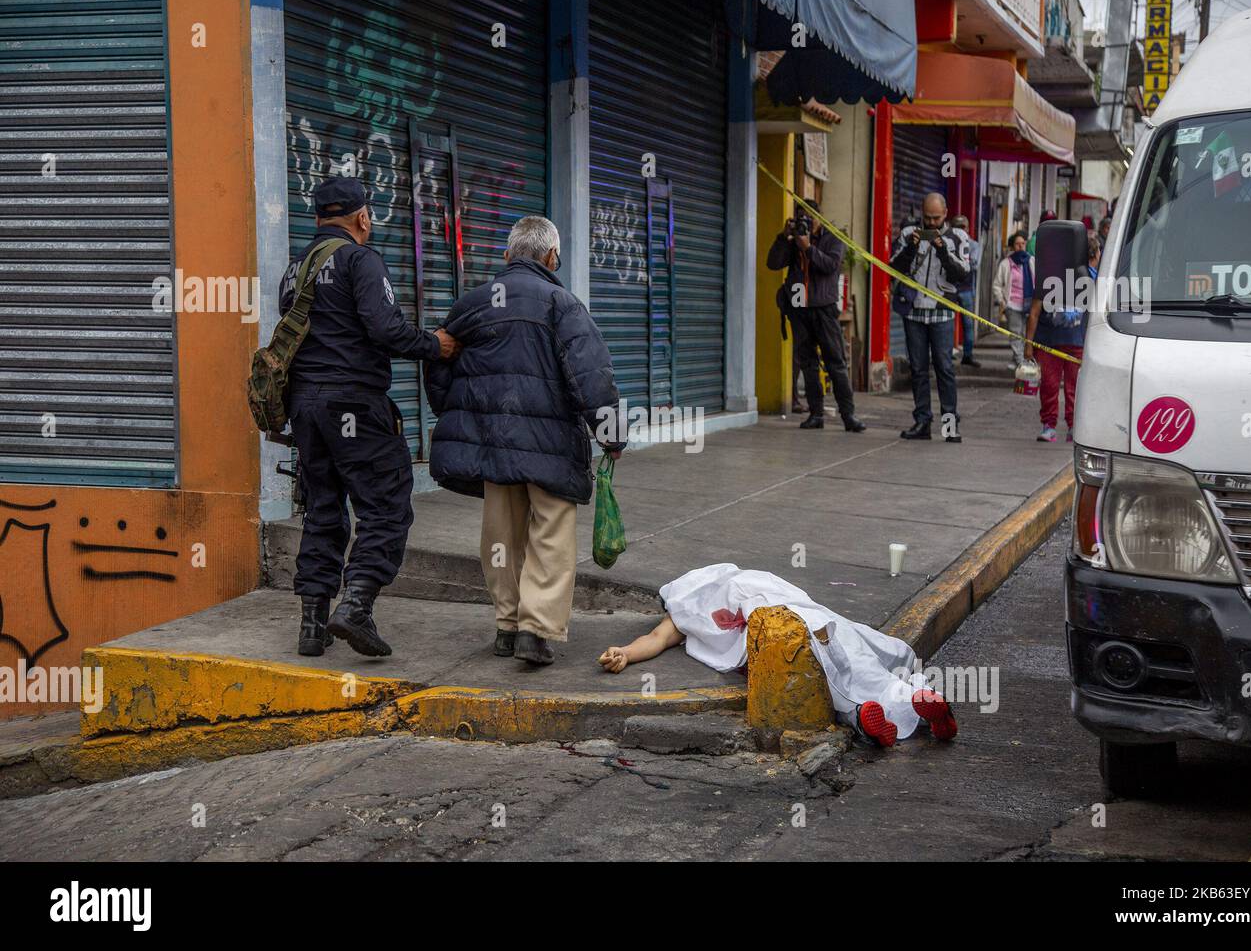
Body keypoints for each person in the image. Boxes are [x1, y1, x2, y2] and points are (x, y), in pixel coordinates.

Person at [425, 216, 625, 666]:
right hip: (549, 444)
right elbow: (593, 375)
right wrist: (611, 433)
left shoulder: (473, 303)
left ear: (506, 256)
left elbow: (437, 356)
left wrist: (456, 413)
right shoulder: (562, 303)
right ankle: (534, 631)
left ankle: (506, 625)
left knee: (501, 532)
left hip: (491, 443)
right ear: (552, 257)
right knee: (550, 531)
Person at [282, 178, 459, 659]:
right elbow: (385, 329)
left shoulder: (296, 268)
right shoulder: (361, 259)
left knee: (322, 510)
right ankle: (355, 606)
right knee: (385, 506)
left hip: (306, 408)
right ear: (362, 218)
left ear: (318, 217)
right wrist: (434, 345)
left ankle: (312, 626)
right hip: (354, 405)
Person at [598, 563, 957, 746]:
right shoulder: (750, 577)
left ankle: (864, 718)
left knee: (834, 683)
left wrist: (626, 653)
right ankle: (918, 696)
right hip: (819, 619)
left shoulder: (685, 609)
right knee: (867, 660)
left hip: (786, 635)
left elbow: (656, 638)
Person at [765, 200, 865, 433]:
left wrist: (808, 248)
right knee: (808, 363)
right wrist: (783, 237)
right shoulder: (793, 241)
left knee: (836, 363)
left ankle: (848, 416)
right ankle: (815, 414)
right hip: (799, 308)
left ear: (819, 216)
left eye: (810, 218)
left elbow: (830, 266)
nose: (807, 223)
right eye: (802, 218)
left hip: (823, 309)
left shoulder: (833, 238)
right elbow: (773, 263)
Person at [889, 192, 971, 442]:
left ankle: (949, 424)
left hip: (942, 310)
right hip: (914, 310)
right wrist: (912, 247)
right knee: (918, 368)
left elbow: (963, 275)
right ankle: (922, 421)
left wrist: (943, 250)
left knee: (945, 368)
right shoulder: (907, 234)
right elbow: (894, 267)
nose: (931, 223)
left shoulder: (958, 237)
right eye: (927, 218)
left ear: (945, 214)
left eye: (936, 218)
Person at [1023, 231, 1095, 443]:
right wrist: (1028, 345)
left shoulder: (1089, 279)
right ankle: (1048, 426)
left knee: (1076, 388)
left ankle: (1074, 426)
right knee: (1049, 386)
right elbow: (1034, 313)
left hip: (1078, 343)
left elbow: (1095, 313)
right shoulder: (1047, 278)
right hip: (1048, 343)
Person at [992, 231, 1034, 371]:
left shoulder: (1032, 261)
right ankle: (1021, 362)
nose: (1021, 246)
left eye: (1023, 243)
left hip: (1029, 305)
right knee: (1016, 334)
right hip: (1012, 305)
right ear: (1012, 246)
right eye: (1017, 244)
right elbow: (997, 285)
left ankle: (1017, 360)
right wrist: (1002, 301)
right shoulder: (1006, 264)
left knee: (1025, 334)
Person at [952, 215, 982, 368]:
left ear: (968, 228)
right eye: (957, 227)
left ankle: (968, 355)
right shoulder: (948, 242)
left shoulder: (974, 245)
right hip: (949, 288)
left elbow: (974, 265)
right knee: (946, 322)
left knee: (968, 324)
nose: (960, 230)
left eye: (962, 227)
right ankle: (946, 353)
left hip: (965, 289)